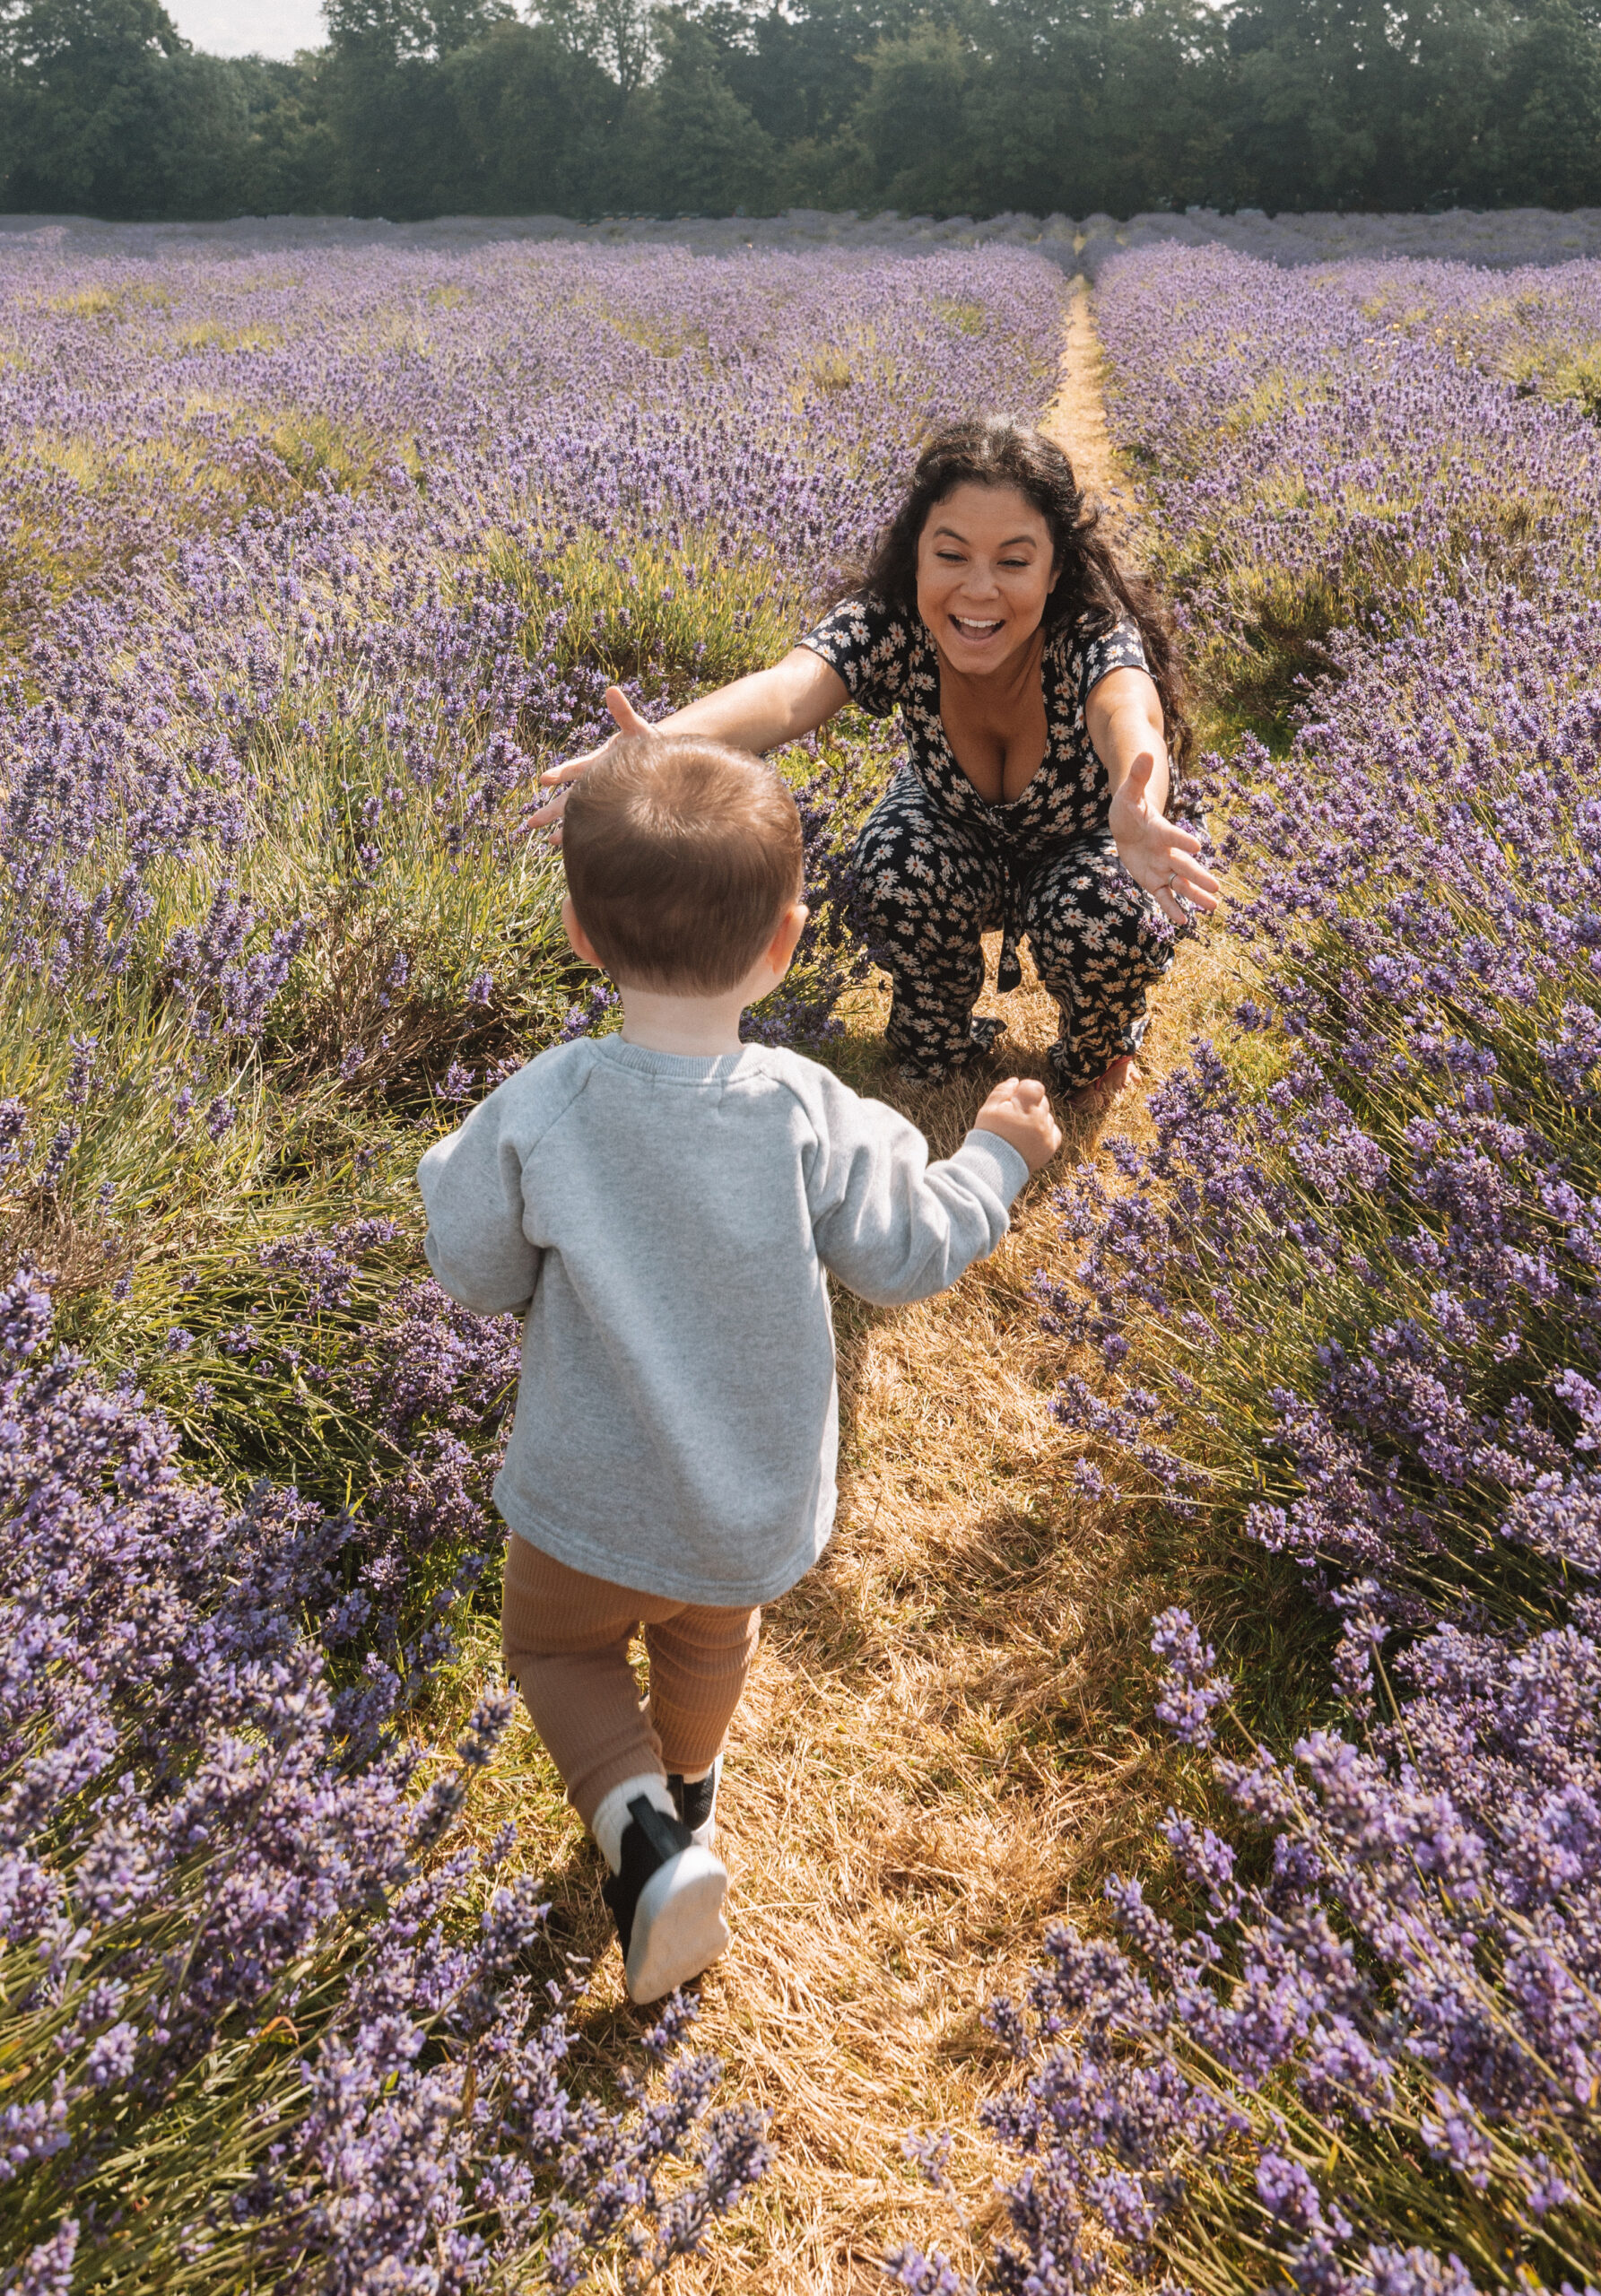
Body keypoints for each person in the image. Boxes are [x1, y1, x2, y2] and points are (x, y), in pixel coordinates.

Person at [418, 732, 1062, 2003]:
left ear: (579, 936)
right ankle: (690, 1806)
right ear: (785, 941)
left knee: (559, 1659)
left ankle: (645, 1839)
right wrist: (994, 1158)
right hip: (746, 1509)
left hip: (582, 1501)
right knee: (712, 1636)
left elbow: (477, 1266)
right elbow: (905, 1252)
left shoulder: (546, 1102)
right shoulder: (807, 1110)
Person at [530, 415, 1219, 1114]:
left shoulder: (1090, 635)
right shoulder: (891, 623)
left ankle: (1101, 1046)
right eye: (951, 555)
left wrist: (1140, 805)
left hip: (1085, 841)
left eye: (1014, 562)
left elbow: (1129, 713)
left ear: (1055, 568)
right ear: (917, 554)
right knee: (893, 864)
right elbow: (789, 690)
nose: (979, 591)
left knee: (1106, 911)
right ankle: (937, 1036)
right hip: (950, 831)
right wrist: (662, 742)